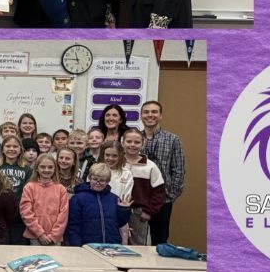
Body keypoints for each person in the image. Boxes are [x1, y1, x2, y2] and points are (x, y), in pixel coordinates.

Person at [136, 101, 184, 244]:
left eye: (154, 112)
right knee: (135, 241)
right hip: (138, 200)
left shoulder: (173, 139)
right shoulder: (134, 139)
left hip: (163, 200)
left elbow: (179, 170)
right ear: (141, 116)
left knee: (160, 242)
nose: (150, 115)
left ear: (161, 116)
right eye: (146, 112)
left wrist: (170, 196)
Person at [65, 163, 131, 246]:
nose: (98, 183)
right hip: (87, 245)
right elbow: (73, 226)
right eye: (95, 179)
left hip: (111, 245)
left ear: (108, 181)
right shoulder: (78, 199)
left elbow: (121, 223)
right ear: (89, 178)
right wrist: (77, 246)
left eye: (102, 180)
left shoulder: (115, 199)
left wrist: (124, 210)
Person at [121, 128, 166, 245]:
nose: (132, 145)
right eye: (129, 141)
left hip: (138, 214)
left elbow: (159, 192)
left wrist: (148, 211)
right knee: (115, 243)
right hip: (116, 210)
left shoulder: (150, 166)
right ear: (122, 142)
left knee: (137, 245)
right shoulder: (117, 162)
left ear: (143, 143)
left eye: (137, 142)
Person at [19, 154, 69, 246]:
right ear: (37, 168)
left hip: (55, 238)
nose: (46, 170)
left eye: (50, 167)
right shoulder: (29, 187)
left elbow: (63, 215)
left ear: (55, 169)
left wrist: (54, 236)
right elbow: (26, 212)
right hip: (35, 236)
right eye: (42, 167)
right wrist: (40, 234)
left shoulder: (61, 189)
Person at [0, 136, 32, 245]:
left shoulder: (27, 170)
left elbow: (28, 193)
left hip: (19, 215)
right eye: (8, 146)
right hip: (0, 213)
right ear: (2, 149)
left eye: (15, 146)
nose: (11, 149)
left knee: (17, 245)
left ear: (21, 150)